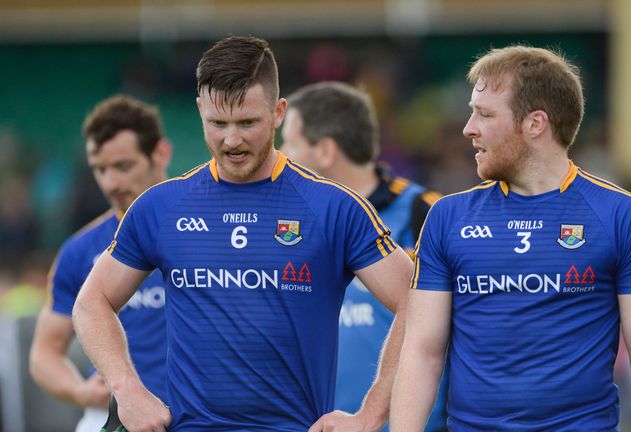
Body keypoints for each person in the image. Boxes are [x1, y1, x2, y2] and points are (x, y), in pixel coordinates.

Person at [72, 36, 413, 432]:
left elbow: (414, 301)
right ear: (200, 110)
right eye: (218, 123)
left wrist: (371, 414)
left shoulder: (335, 208)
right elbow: (91, 302)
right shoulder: (160, 206)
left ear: (278, 112)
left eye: (247, 123)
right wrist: (127, 388)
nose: (231, 140)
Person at [391, 45, 631, 431]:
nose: (468, 128)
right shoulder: (448, 217)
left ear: (535, 124)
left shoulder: (622, 215)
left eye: (485, 114)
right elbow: (422, 352)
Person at [280, 81, 446, 431]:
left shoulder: (430, 215)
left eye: (289, 143)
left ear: (324, 151)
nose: (279, 156)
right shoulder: (287, 225)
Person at [29, 95, 171, 432]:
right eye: (99, 169)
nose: (110, 183)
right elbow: (44, 354)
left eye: (123, 166)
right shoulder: (79, 250)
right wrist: (80, 391)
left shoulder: (205, 231)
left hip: (198, 415)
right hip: (111, 417)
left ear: (161, 153)